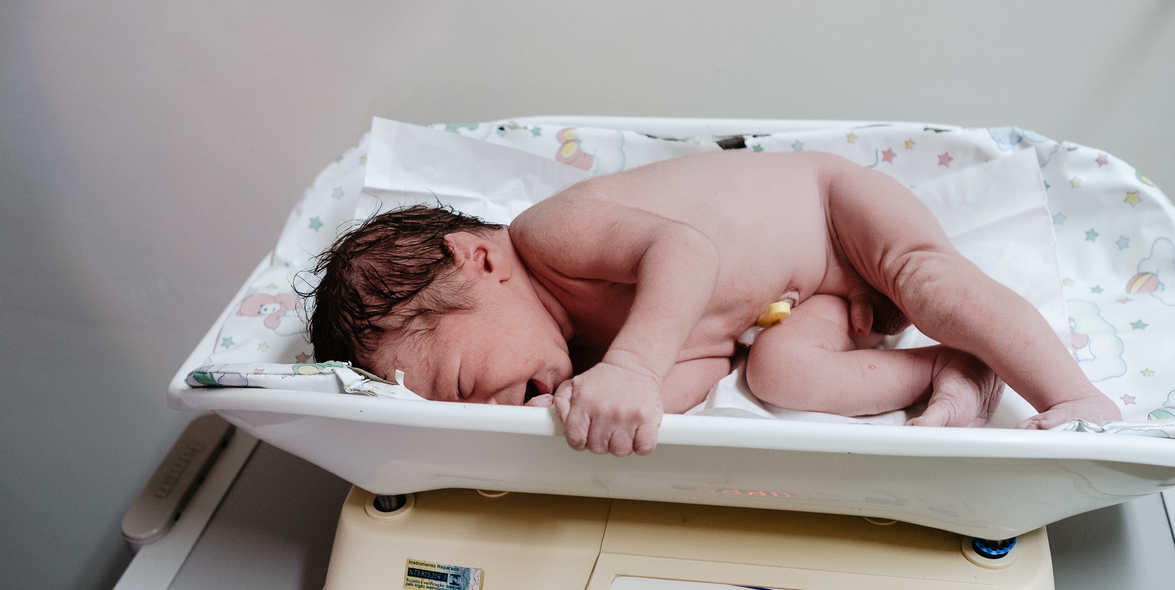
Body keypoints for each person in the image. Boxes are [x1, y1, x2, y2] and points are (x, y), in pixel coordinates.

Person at [307, 150, 1120, 456]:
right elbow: (698, 362)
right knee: (779, 376)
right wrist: (633, 400)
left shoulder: (549, 234)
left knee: (929, 281)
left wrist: (630, 365)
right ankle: (948, 369)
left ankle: (1072, 394)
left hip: (831, 210)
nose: (486, 407)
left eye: (459, 383)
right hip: (794, 302)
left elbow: (685, 254)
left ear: (480, 261)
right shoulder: (580, 352)